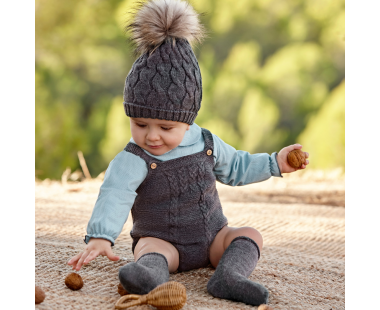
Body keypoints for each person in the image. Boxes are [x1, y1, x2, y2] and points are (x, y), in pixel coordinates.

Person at [68, 0, 309, 306]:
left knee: (249, 235)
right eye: (140, 123)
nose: (151, 135)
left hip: (213, 239)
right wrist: (101, 236)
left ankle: (229, 277)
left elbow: (237, 166)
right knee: (148, 250)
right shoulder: (134, 158)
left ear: (188, 120)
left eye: (166, 128)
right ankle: (149, 277)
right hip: (163, 242)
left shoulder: (206, 142)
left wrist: (275, 163)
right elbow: (114, 192)